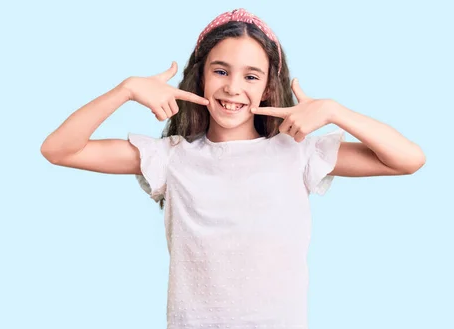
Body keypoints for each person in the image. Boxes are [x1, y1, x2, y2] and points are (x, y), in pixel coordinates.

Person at [40, 8, 425, 329]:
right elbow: (59, 150)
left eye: (251, 76)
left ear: (268, 87)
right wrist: (124, 90)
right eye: (220, 71)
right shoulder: (171, 158)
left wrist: (336, 112)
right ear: (201, 76)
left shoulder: (297, 154)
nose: (232, 87)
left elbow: (408, 159)